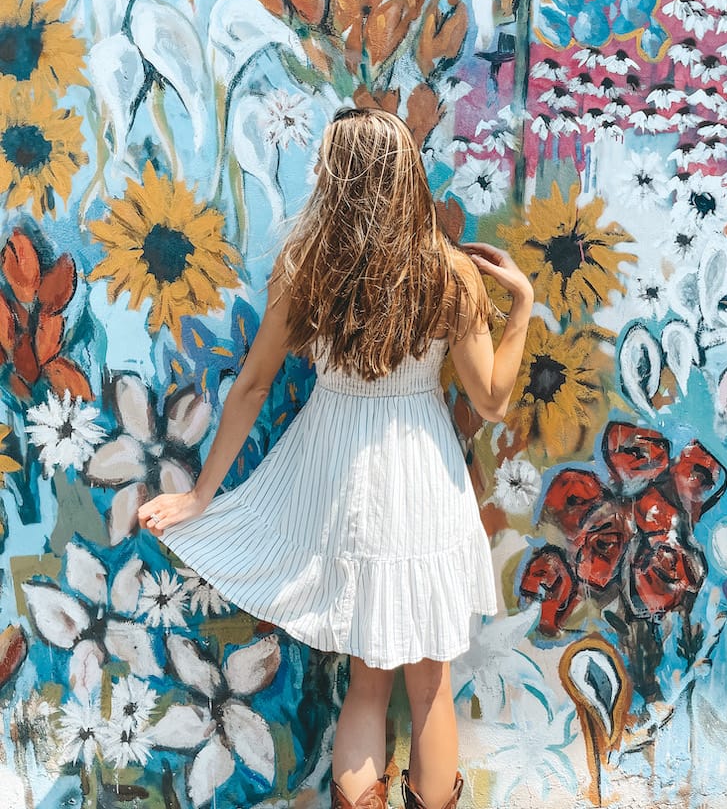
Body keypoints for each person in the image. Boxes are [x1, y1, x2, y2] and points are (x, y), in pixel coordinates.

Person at [138, 107, 533, 809]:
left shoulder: (308, 270)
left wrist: (200, 496)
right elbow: (493, 399)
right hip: (423, 476)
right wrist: (523, 304)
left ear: (339, 178)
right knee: (430, 683)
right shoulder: (449, 274)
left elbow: (253, 386)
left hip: (342, 482)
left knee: (367, 684)